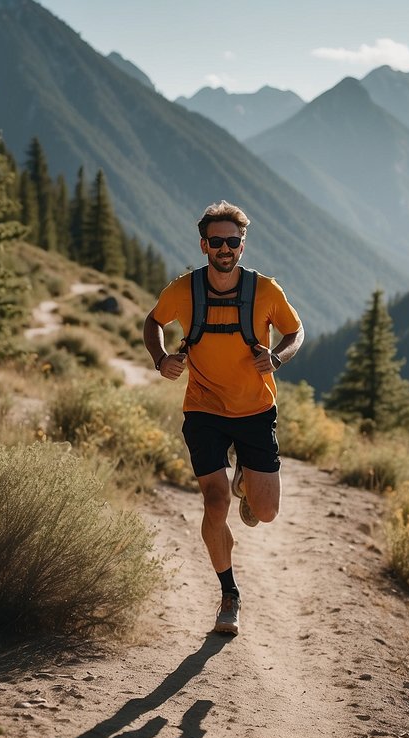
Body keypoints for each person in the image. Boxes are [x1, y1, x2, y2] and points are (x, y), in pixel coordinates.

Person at [143, 201, 304, 636]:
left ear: (242, 244)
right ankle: (229, 594)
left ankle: (247, 485)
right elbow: (153, 321)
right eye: (217, 241)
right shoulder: (184, 289)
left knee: (266, 512)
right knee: (214, 503)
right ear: (204, 245)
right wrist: (161, 359)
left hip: (255, 409)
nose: (226, 248)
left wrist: (278, 358)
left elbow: (295, 331)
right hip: (204, 407)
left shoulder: (265, 290)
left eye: (233, 241)